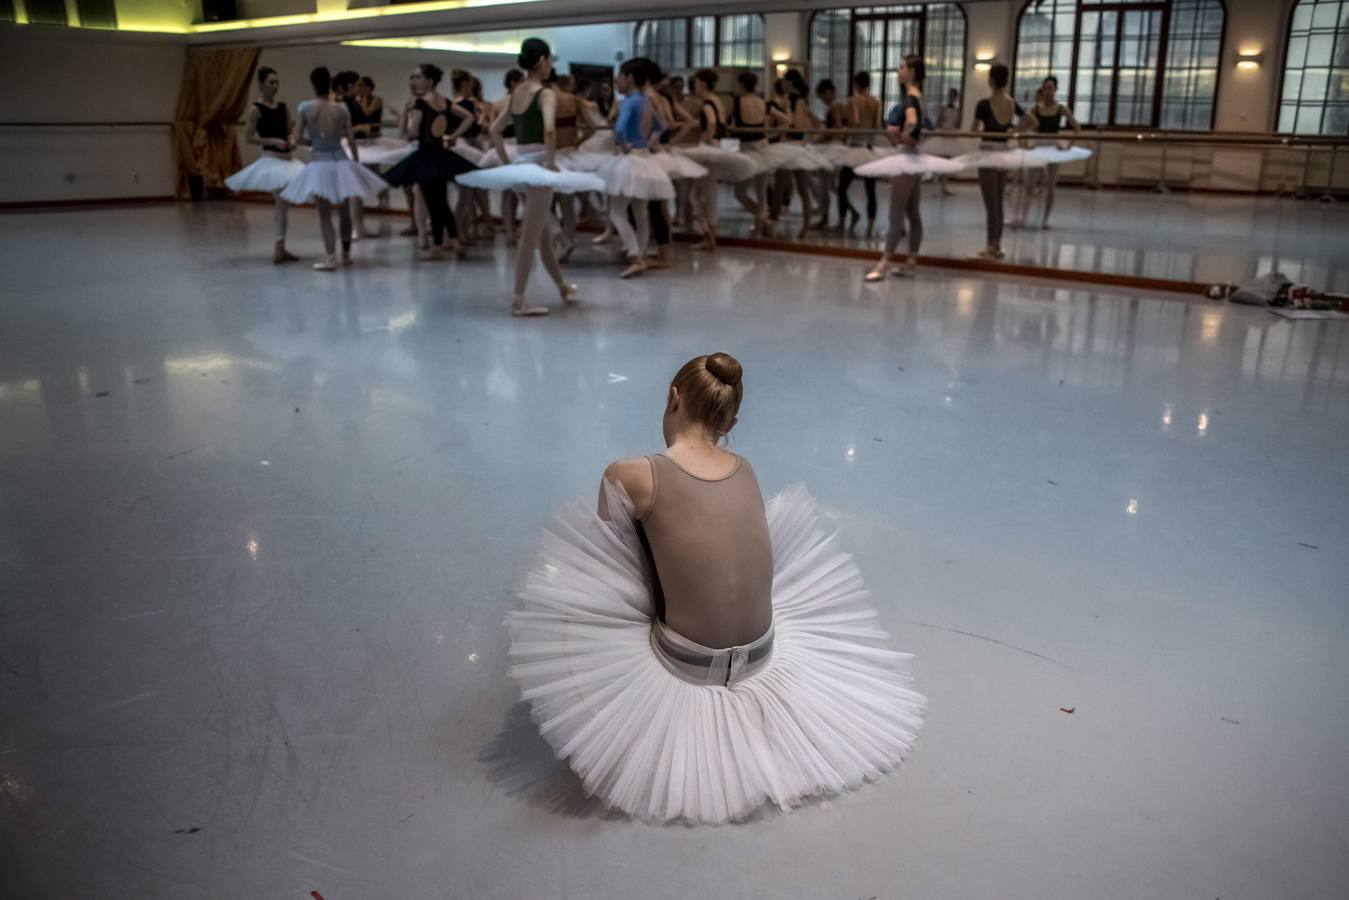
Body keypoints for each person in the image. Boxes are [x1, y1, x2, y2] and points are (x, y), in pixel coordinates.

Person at [506, 351, 927, 825]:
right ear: (731, 419)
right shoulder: (744, 468)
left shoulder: (629, 475)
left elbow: (609, 569)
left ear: (673, 399)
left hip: (685, 665)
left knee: (577, 597)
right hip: (764, 656)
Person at [455, 38, 603, 316]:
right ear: (543, 61)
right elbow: (548, 131)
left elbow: (494, 131)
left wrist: (509, 161)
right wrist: (549, 165)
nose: (551, 67)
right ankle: (519, 300)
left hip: (522, 165)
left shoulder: (516, 93)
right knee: (530, 237)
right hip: (537, 167)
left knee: (543, 235)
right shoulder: (544, 93)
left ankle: (562, 286)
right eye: (550, 61)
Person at [858, 55, 962, 281]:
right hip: (914, 159)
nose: (899, 71)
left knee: (896, 216)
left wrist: (900, 137)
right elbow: (923, 128)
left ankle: (883, 265)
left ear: (913, 71)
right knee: (913, 213)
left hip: (906, 159)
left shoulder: (910, 100)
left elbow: (914, 123)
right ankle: (911, 262)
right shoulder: (919, 98)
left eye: (903, 67)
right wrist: (907, 137)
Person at [280, 66, 389, 271]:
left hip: (321, 163)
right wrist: (355, 164)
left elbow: (297, 138)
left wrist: (306, 141)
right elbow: (350, 139)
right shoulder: (341, 109)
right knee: (344, 211)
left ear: (313, 85)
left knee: (324, 215)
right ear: (329, 84)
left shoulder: (305, 107)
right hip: (341, 162)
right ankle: (346, 254)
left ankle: (331, 258)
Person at [381, 63, 479, 260]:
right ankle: (454, 240)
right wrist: (453, 136)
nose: (414, 80)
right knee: (441, 201)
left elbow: (410, 134)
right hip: (441, 155)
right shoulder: (443, 101)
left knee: (434, 204)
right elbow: (469, 117)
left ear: (429, 80)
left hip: (425, 157)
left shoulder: (419, 103)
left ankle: (437, 246)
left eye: (418, 77)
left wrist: (405, 114)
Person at [599, 58, 675, 279]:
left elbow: (619, 130)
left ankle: (635, 255)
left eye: (621, 77)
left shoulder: (630, 101)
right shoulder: (647, 101)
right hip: (644, 157)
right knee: (641, 212)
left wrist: (622, 147)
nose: (617, 81)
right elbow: (661, 127)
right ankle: (640, 254)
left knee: (616, 211)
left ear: (630, 78)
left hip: (630, 158)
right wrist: (648, 144)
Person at [224, 66, 304, 264]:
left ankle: (281, 246)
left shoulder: (284, 107)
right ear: (261, 84)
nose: (275, 86)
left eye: (277, 82)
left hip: (288, 160)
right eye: (271, 82)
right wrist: (272, 141)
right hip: (271, 161)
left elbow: (289, 131)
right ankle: (279, 247)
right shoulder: (255, 110)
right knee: (281, 203)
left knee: (283, 205)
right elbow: (249, 138)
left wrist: (291, 140)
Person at [676, 69, 759, 251]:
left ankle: (708, 235)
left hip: (709, 148)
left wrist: (704, 140)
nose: (694, 86)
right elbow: (716, 123)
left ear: (702, 84)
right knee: (707, 194)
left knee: (700, 195)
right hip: (715, 147)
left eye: (696, 83)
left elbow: (712, 124)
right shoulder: (717, 100)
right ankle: (709, 234)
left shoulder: (707, 103)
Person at [969, 62, 1031, 260]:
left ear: (992, 80)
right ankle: (997, 245)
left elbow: (973, 130)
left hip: (988, 153)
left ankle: (990, 246)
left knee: (990, 204)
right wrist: (1015, 131)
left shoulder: (983, 104)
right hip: (1004, 152)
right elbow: (1033, 121)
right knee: (998, 201)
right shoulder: (1011, 103)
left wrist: (982, 131)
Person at [1012, 76, 1081, 229]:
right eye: (1045, 88)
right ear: (1042, 90)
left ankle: (1045, 219)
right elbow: (1020, 127)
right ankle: (1023, 216)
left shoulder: (1061, 108)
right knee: (1030, 184)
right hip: (1039, 146)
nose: (1048, 91)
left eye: (1051, 88)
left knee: (1050, 185)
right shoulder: (1035, 109)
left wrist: (1068, 146)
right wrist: (1022, 143)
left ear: (1055, 90)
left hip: (1054, 147)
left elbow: (1077, 129)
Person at [837, 71, 883, 236]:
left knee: (842, 187)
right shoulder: (876, 102)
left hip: (855, 147)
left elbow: (852, 124)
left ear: (856, 84)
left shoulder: (852, 101)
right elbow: (877, 127)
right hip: (868, 148)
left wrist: (843, 139)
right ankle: (870, 226)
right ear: (868, 84)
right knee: (870, 190)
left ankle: (842, 222)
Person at [934, 87, 962, 196]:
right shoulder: (943, 109)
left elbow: (958, 124)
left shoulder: (957, 110)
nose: (951, 98)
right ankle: (939, 184)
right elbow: (938, 122)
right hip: (943, 136)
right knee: (940, 161)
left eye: (953, 96)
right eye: (950, 95)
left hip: (951, 137)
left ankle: (943, 186)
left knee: (947, 162)